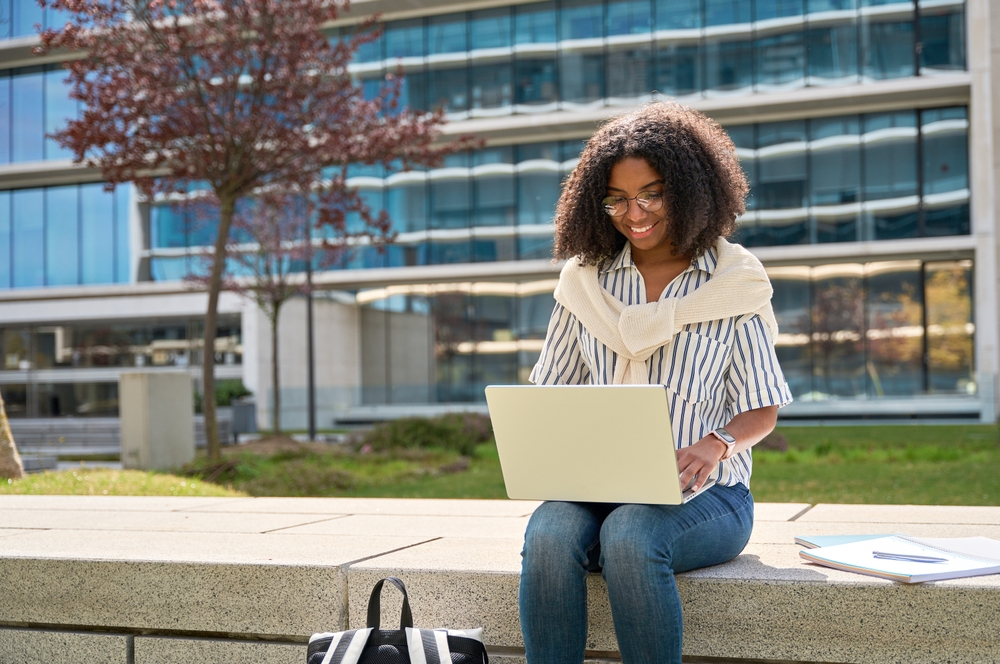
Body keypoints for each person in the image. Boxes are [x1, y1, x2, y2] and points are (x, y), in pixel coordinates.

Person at [519, 102, 793, 664]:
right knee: (547, 533)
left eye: (652, 193)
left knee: (631, 535)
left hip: (710, 498)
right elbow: (551, 393)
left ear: (691, 188)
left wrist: (715, 445)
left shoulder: (734, 283)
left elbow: (761, 410)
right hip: (598, 490)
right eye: (616, 198)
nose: (633, 212)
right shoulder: (584, 283)